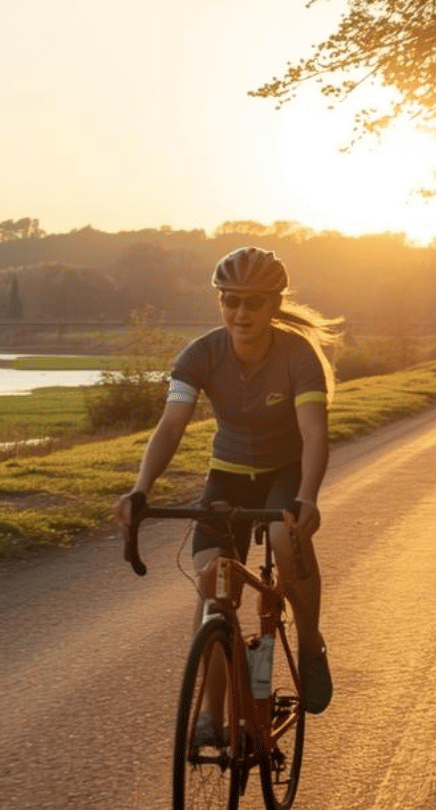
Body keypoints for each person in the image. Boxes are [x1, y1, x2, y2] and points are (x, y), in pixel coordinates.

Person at [111, 246, 342, 716]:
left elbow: (314, 431)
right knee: (214, 580)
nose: (241, 312)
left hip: (285, 471)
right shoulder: (200, 354)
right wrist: (141, 488)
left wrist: (307, 498)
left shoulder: (298, 356)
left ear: (274, 305)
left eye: (253, 302)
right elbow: (172, 425)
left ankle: (311, 642)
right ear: (220, 302)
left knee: (284, 533)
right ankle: (211, 714)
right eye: (230, 300)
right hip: (229, 475)